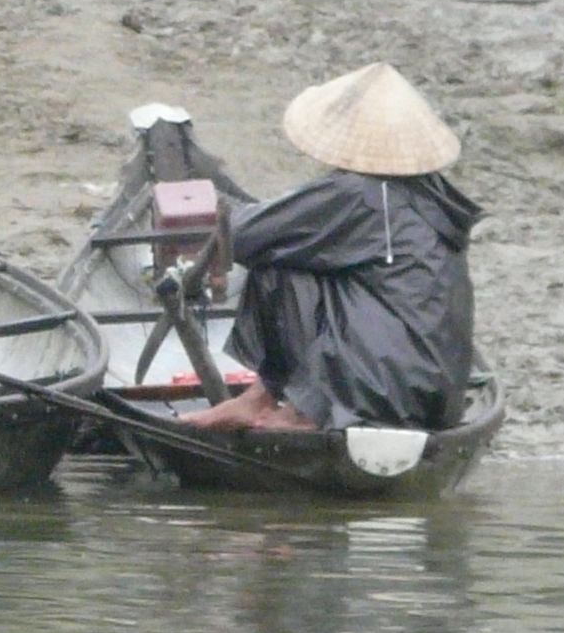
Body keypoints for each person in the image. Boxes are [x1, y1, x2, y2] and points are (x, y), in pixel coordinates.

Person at [184, 63, 481, 434]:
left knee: (276, 261)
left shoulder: (359, 194)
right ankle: (261, 398)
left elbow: (243, 235)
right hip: (436, 396)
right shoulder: (433, 197)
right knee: (294, 250)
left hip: (378, 390)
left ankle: (300, 411)